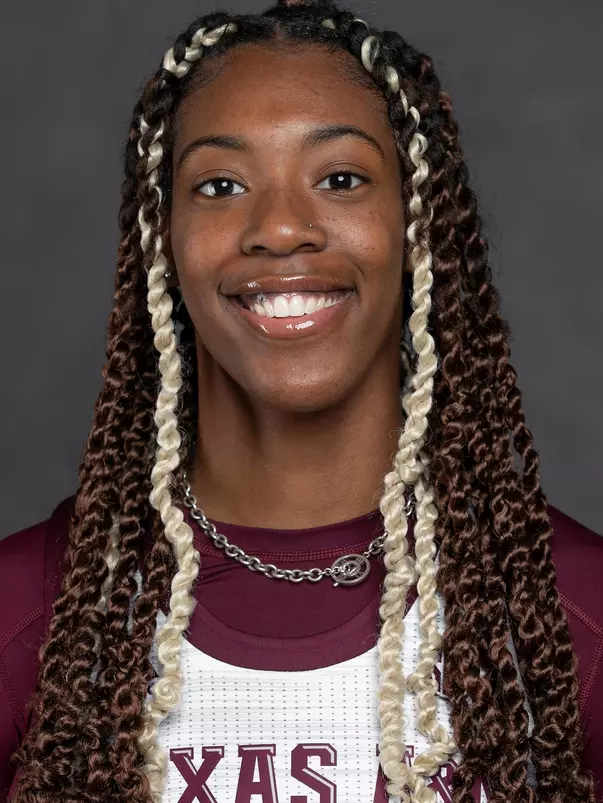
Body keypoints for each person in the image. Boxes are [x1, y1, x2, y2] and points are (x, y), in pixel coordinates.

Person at [1, 0, 601, 801]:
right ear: (164, 238)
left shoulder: (572, 612)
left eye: (341, 178)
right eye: (218, 184)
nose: (280, 227)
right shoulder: (29, 612)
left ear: (419, 222)